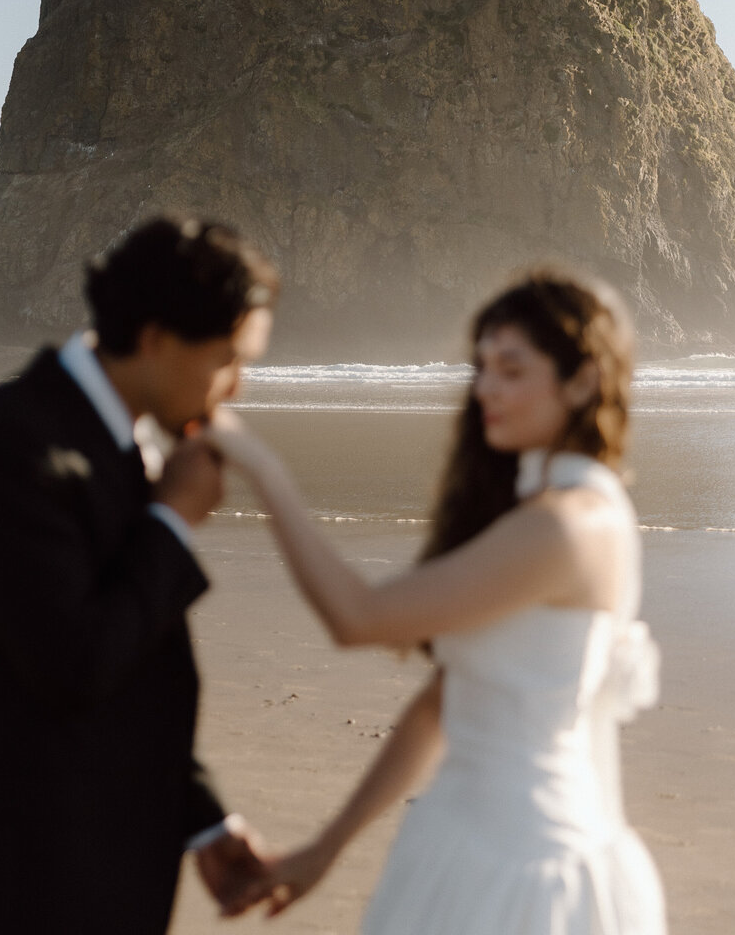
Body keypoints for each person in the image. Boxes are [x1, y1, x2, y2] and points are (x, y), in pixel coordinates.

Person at [208, 268, 667, 935]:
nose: (485, 388)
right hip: (456, 845)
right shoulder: (536, 512)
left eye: (511, 369)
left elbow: (357, 617)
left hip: (525, 872)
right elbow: (441, 706)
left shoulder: (569, 525)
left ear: (582, 379)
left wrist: (263, 466)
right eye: (482, 367)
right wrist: (324, 850)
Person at [0, 216, 279, 935]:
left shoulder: (114, 439)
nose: (238, 388)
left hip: (95, 870)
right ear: (158, 337)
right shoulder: (12, 445)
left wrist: (200, 820)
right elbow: (74, 664)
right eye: (229, 358)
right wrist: (171, 524)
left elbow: (129, 679)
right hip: (12, 883)